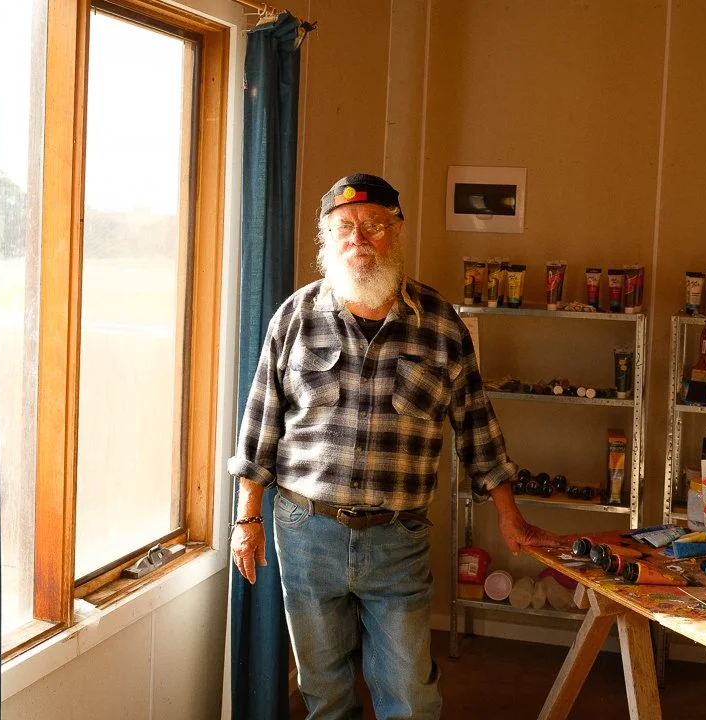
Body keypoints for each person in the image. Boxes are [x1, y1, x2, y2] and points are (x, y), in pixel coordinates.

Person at [228, 173, 556, 720]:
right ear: (327, 238)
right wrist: (247, 518)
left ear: (396, 231)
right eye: (344, 227)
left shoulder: (440, 325)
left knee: (410, 694)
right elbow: (260, 423)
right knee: (325, 693)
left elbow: (478, 427)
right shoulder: (295, 318)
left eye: (373, 226)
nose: (358, 238)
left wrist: (510, 516)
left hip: (396, 538)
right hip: (307, 532)